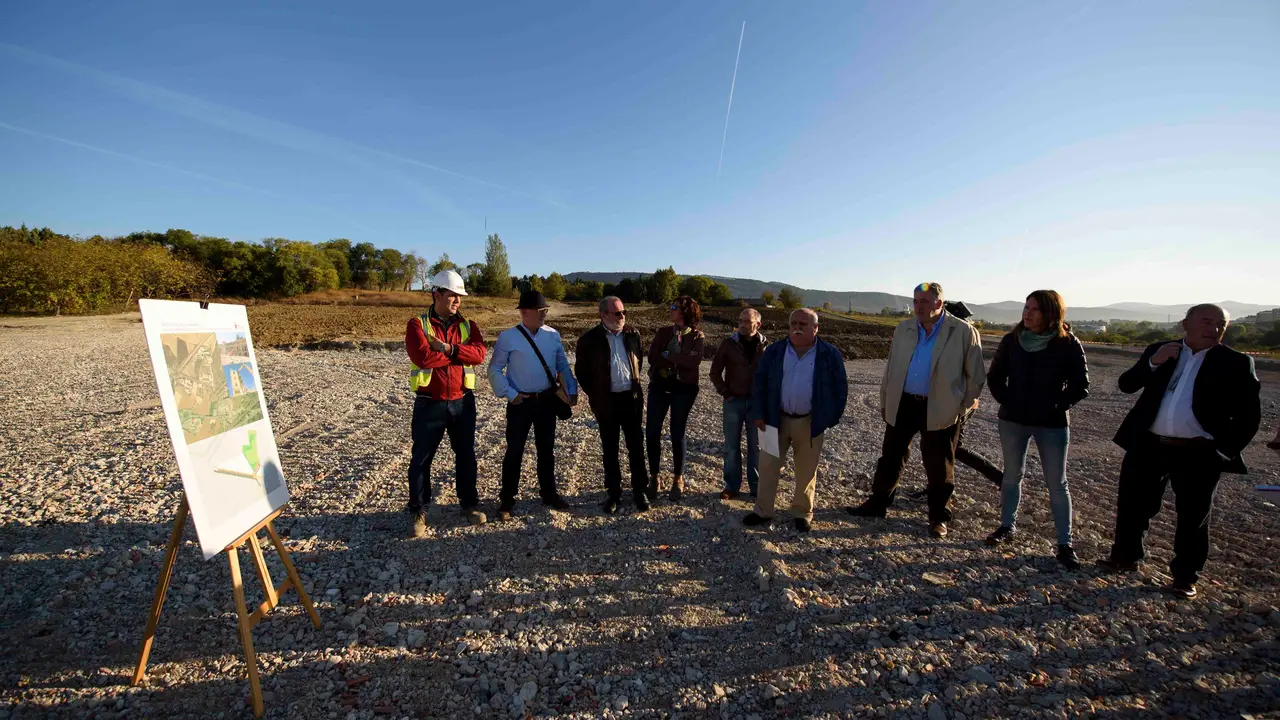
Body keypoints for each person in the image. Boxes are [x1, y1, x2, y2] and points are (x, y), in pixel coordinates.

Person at [1098, 304, 1261, 599]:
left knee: (1193, 516)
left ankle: (1185, 577)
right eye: (1207, 321)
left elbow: (1249, 417)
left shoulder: (1236, 362)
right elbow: (1127, 385)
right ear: (1186, 324)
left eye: (1220, 324)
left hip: (1199, 452)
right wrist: (1153, 362)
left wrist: (1223, 452)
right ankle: (1125, 557)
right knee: (1134, 505)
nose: (1214, 328)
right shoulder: (1161, 350)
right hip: (1149, 444)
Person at [847, 282, 986, 538]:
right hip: (903, 402)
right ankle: (878, 504)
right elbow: (890, 368)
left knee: (939, 464)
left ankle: (938, 517)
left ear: (939, 303)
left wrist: (961, 407)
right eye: (915, 301)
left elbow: (975, 376)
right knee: (891, 457)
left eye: (924, 301)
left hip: (940, 406)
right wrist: (885, 401)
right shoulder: (904, 328)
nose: (918, 307)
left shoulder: (963, 331)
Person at [983, 290, 1090, 570]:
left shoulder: (1068, 343)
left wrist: (1055, 405)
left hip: (1052, 424)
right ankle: (1006, 526)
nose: (1027, 313)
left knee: (1057, 483)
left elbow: (1081, 385)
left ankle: (1064, 543)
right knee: (1012, 475)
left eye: (1035, 309)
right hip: (1013, 420)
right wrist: (1008, 401)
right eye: (1026, 307)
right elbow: (995, 377)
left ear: (1051, 313)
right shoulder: (1012, 340)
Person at [742, 309, 848, 532]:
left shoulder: (829, 354)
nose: (797, 328)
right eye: (793, 324)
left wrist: (827, 419)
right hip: (773, 419)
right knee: (767, 466)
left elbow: (840, 389)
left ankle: (802, 513)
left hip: (810, 422)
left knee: (807, 470)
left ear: (816, 328)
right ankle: (762, 510)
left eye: (803, 324)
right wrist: (758, 413)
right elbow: (759, 382)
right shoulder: (774, 351)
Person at [404, 269, 488, 537]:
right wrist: (459, 355)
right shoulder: (417, 325)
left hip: (463, 402)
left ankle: (469, 504)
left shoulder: (468, 325)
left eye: (460, 296)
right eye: (452, 295)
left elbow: (479, 354)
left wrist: (448, 349)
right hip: (430, 403)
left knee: (466, 455)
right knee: (421, 459)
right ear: (437, 294)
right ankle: (419, 510)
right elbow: (423, 358)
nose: (457, 301)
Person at [488, 291, 579, 520]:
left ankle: (549, 494)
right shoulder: (508, 337)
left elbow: (563, 366)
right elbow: (494, 369)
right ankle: (507, 499)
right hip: (520, 403)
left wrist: (571, 390)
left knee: (546, 450)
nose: (544, 314)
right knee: (514, 451)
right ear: (524, 312)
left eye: (545, 310)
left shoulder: (553, 335)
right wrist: (511, 394)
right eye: (540, 310)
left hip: (547, 401)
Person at [575, 296, 649, 514]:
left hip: (631, 399)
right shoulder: (589, 340)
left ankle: (640, 490)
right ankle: (614, 493)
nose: (622, 316)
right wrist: (597, 395)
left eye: (624, 312)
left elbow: (638, 363)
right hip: (606, 401)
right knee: (610, 447)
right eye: (617, 313)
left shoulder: (633, 334)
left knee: (636, 446)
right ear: (603, 315)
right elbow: (582, 373)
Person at [646, 296, 706, 502]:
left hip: (685, 388)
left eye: (674, 307)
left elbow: (694, 363)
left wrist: (667, 354)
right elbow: (651, 357)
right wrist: (678, 359)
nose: (670, 309)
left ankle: (678, 478)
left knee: (677, 432)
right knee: (652, 431)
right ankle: (654, 477)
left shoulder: (697, 336)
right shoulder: (663, 332)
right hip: (659, 386)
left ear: (685, 312)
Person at [710, 308, 767, 500]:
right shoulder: (728, 344)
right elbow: (714, 372)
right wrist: (725, 393)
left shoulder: (766, 346)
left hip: (757, 404)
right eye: (740, 320)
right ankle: (732, 486)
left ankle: (757, 486)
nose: (742, 325)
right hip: (733, 401)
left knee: (756, 446)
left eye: (747, 321)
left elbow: (772, 375)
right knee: (731, 445)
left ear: (758, 324)